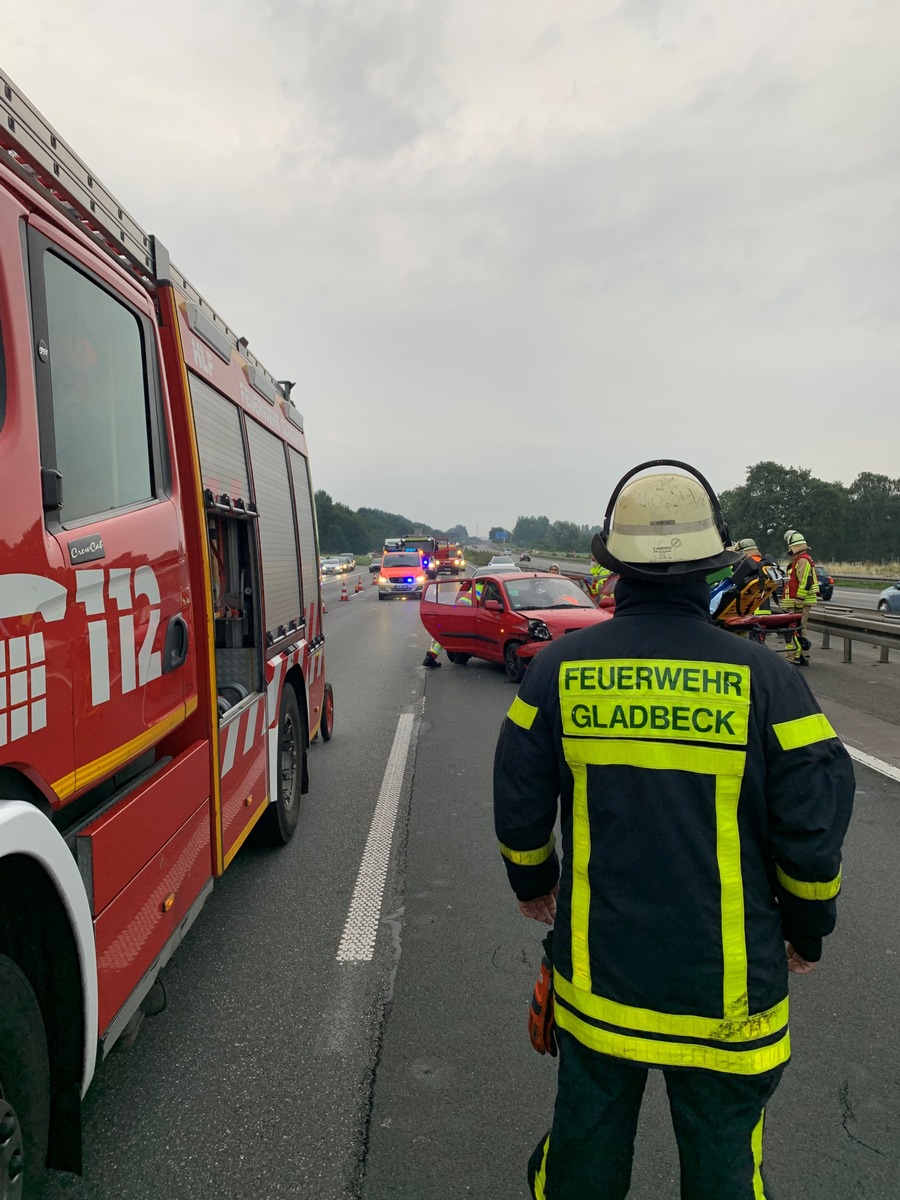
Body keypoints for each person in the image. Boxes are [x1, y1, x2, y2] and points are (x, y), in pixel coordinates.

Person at [493, 460, 854, 1200]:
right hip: (730, 1002)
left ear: (614, 567)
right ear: (714, 564)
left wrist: (534, 879)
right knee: (725, 1172)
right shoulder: (769, 680)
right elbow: (813, 823)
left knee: (583, 1164)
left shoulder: (559, 669)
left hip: (601, 986)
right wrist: (808, 927)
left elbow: (517, 790)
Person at [782, 530, 817, 667]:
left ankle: (793, 656)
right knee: (799, 628)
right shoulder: (799, 560)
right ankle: (802, 655)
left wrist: (799, 601)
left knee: (794, 629)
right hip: (797, 601)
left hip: (799, 602)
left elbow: (804, 582)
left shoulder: (802, 560)